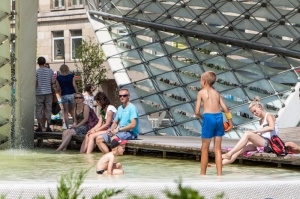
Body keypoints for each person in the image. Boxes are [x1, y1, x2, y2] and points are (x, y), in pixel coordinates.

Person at [194, 71, 233, 176]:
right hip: (219, 117)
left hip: (208, 117)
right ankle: (219, 174)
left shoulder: (201, 92)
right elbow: (226, 109)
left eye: (200, 80)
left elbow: (197, 111)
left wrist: (203, 118)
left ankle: (202, 174)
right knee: (217, 149)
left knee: (204, 148)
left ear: (204, 81)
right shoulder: (217, 93)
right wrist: (230, 123)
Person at [222, 96, 278, 165]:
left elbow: (271, 127)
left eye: (255, 111)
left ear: (259, 107)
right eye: (253, 113)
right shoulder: (260, 121)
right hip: (262, 141)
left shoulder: (269, 115)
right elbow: (263, 134)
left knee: (248, 134)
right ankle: (220, 164)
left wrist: (255, 131)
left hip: (269, 143)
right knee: (240, 150)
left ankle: (229, 153)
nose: (254, 114)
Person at [95, 88, 139, 154]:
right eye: (120, 96)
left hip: (130, 133)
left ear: (128, 96)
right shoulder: (120, 108)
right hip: (120, 132)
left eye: (124, 95)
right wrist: (111, 130)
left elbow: (133, 125)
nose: (122, 97)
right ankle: (108, 157)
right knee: (98, 139)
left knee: (114, 139)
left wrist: (118, 130)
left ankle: (115, 160)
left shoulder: (132, 108)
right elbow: (115, 122)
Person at [35, 57, 55, 132]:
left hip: (39, 93)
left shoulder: (36, 72)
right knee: (48, 109)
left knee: (39, 110)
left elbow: (35, 83)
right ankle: (48, 126)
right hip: (48, 92)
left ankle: (39, 126)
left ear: (38, 63)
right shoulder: (50, 71)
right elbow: (52, 82)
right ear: (45, 62)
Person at [55, 64, 78, 129]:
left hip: (64, 95)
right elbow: (74, 85)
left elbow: (58, 88)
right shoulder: (71, 76)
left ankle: (67, 127)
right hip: (72, 94)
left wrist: (55, 90)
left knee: (65, 112)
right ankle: (74, 125)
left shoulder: (58, 78)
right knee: (73, 111)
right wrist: (77, 92)